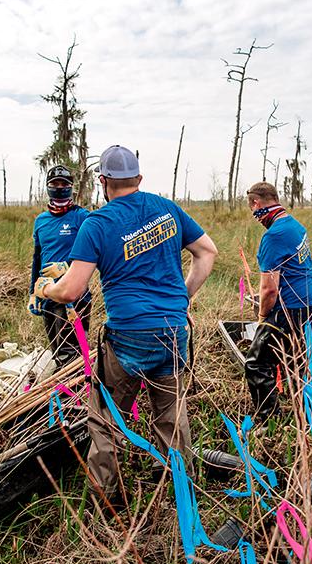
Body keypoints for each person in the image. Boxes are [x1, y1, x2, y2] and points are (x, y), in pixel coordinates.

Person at [35, 145, 218, 504]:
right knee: (171, 413)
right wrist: (183, 297)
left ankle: (107, 500)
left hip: (128, 337)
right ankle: (180, 491)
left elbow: (72, 288)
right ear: (139, 179)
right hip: (173, 331)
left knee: (106, 417)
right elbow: (207, 251)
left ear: (103, 182)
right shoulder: (167, 209)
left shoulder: (98, 224)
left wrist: (46, 289)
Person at [243, 181, 312, 422]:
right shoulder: (295, 226)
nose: (256, 217)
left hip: (291, 311)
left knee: (256, 364)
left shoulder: (274, 236)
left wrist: (261, 319)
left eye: (253, 210)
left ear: (257, 203)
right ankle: (305, 415)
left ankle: (269, 422)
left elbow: (269, 290)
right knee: (295, 362)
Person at [28, 166, 93, 369]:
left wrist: (69, 268)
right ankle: (64, 394)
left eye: (64, 184)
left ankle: (74, 397)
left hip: (73, 296)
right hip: (47, 293)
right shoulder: (41, 221)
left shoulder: (82, 217)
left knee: (70, 354)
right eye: (55, 184)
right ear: (48, 187)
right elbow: (37, 257)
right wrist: (33, 292)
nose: (59, 188)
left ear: (71, 187)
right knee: (56, 350)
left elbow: (97, 252)